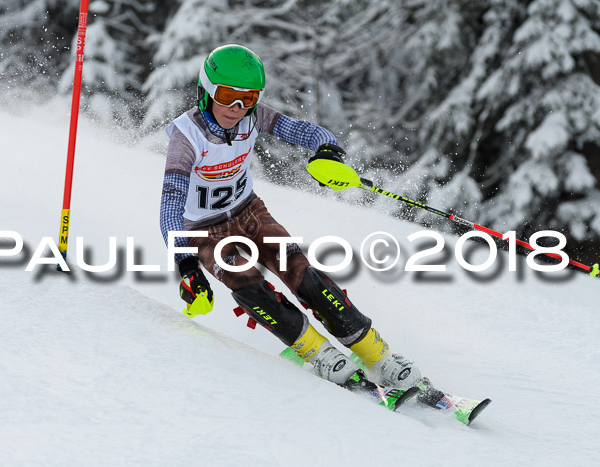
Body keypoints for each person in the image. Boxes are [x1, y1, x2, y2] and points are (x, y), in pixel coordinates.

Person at [159, 44, 421, 396]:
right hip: (205, 232)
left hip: (249, 212)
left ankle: (379, 355)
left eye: (248, 98)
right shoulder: (185, 138)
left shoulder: (253, 117)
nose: (237, 108)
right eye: (227, 96)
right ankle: (319, 353)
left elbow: (305, 132)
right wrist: (186, 264)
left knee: (302, 272)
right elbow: (169, 206)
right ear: (206, 90)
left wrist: (327, 151)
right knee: (247, 282)